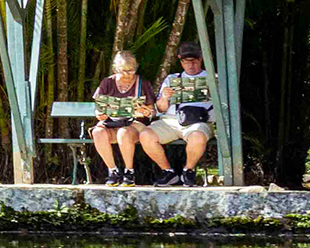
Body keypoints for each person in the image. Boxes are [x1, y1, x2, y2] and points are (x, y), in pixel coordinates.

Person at [150, 45, 221, 184]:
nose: (191, 65)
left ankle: (188, 171)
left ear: (200, 59)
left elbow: (223, 105)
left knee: (198, 137)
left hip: (198, 122)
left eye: (194, 61)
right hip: (172, 121)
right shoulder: (172, 79)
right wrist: (164, 97)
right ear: (180, 61)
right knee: (146, 135)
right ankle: (168, 172)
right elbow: (160, 108)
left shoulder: (213, 78)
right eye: (186, 61)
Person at [88, 50, 156, 182]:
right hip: (112, 122)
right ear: (115, 69)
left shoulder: (143, 83)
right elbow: (98, 109)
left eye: (130, 70)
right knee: (98, 132)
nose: (127, 74)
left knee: (123, 133)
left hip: (134, 124)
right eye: (123, 70)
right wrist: (100, 114)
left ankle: (129, 171)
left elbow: (153, 111)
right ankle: (112, 170)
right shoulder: (107, 82)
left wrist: (147, 112)